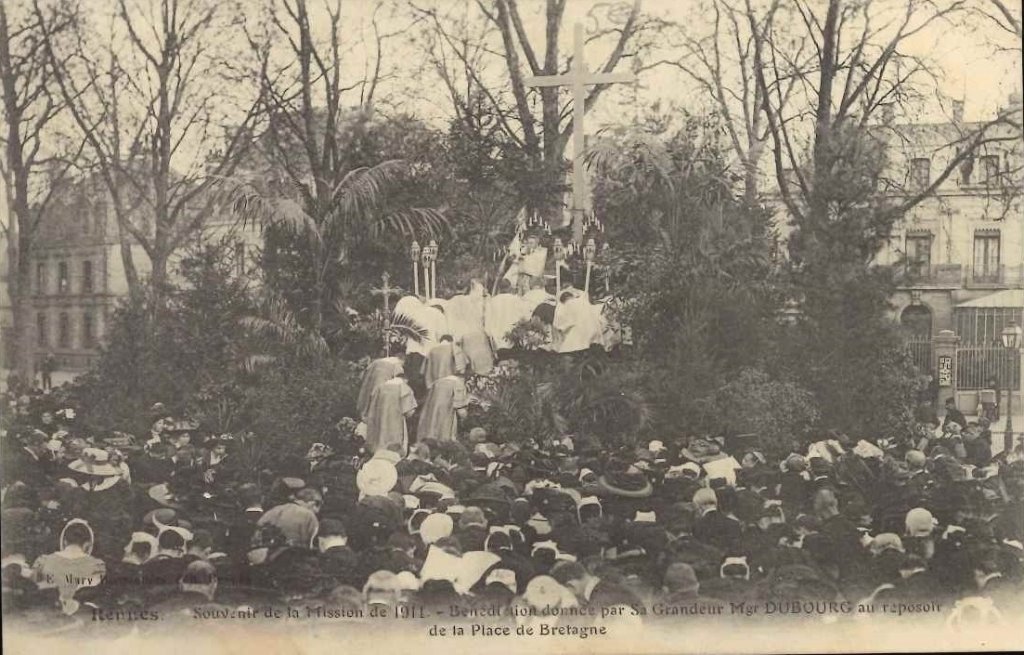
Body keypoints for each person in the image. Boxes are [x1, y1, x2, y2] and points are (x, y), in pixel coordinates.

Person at [32, 519, 106, 614]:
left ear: (64, 542)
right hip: (83, 617)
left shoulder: (42, 561)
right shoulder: (97, 566)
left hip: (46, 616)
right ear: (87, 544)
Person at [364, 374, 417, 455]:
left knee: (378, 444)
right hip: (395, 424)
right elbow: (409, 412)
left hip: (379, 423)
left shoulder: (380, 387)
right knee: (394, 448)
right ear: (405, 380)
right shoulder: (403, 387)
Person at [257, 487, 323, 548]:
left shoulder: (275, 509)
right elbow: (311, 545)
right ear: (313, 503)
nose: (316, 513)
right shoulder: (309, 515)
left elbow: (258, 529)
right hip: (294, 555)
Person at [417, 375, 469, 443]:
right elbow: (461, 410)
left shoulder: (437, 382)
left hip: (430, 419)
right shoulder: (458, 383)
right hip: (446, 418)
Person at [485, 280, 530, 356]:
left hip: (498, 341)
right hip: (514, 338)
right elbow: (525, 318)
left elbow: (487, 325)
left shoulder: (491, 302)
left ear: (499, 289)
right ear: (510, 288)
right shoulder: (517, 300)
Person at [357, 354, 406, 421]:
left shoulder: (378, 361)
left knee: (370, 392)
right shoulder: (398, 363)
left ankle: (366, 413)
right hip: (383, 380)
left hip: (375, 375)